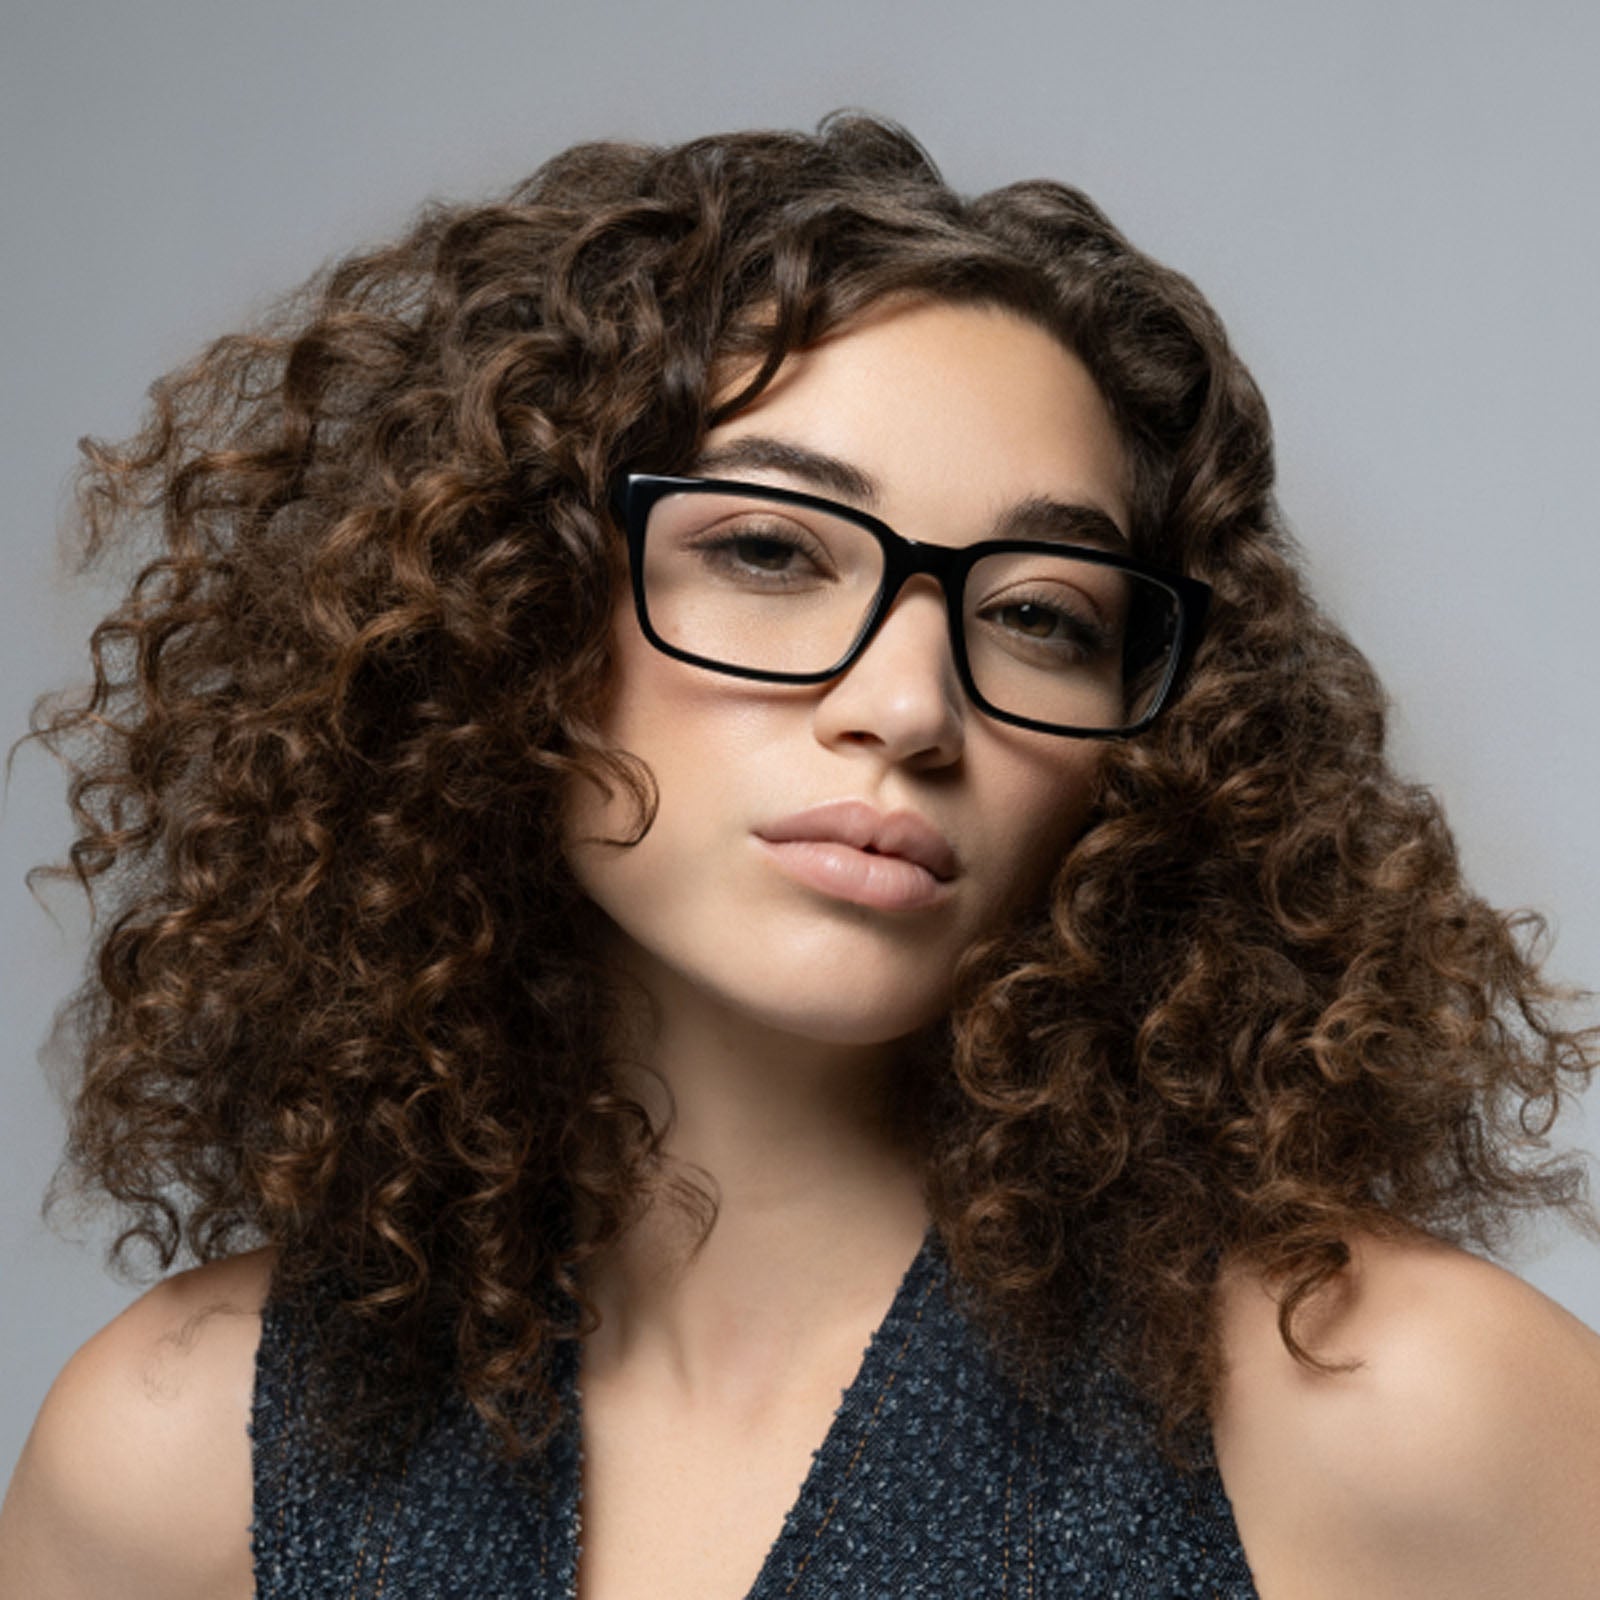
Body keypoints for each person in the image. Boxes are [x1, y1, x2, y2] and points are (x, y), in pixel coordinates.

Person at [1, 113, 1598, 1600]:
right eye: (766, 549)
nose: (908, 707)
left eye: (1042, 615)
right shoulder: (181, 1459)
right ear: (503, 609)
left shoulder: (1389, 1409)